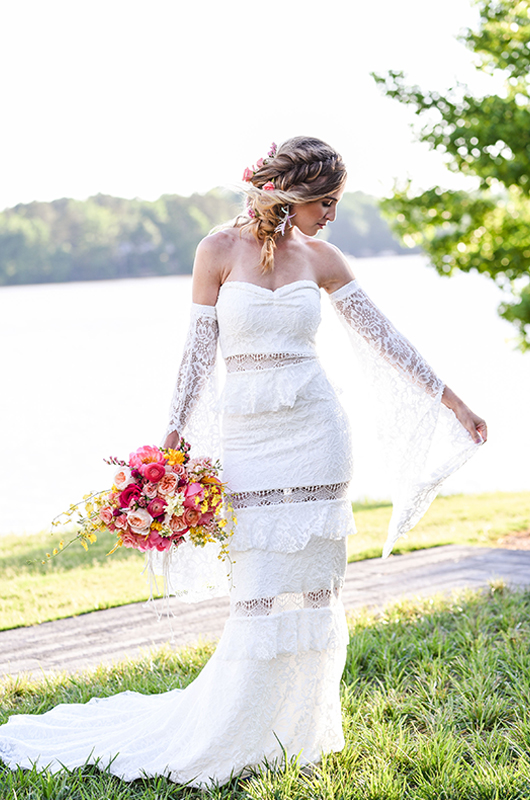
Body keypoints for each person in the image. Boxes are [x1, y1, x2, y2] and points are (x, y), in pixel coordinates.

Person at [0, 136, 486, 787]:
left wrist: (452, 402)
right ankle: (239, 728)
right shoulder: (217, 249)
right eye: (327, 202)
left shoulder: (323, 256)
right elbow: (198, 351)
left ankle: (301, 731)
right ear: (294, 195)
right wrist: (173, 434)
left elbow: (384, 335)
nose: (332, 215)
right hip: (251, 441)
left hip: (317, 432)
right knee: (256, 592)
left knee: (318, 589)